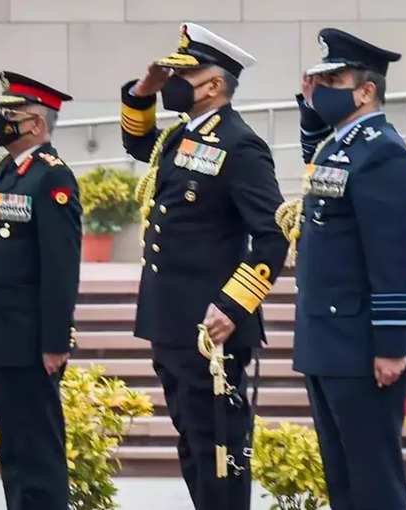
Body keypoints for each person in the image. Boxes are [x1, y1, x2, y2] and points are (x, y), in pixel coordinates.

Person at [120, 23, 288, 510]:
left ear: (213, 86)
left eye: (181, 74)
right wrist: (142, 94)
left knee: (220, 449)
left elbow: (273, 233)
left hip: (211, 329)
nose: (171, 80)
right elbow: (137, 145)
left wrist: (234, 306)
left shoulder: (240, 144)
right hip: (172, 321)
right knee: (193, 444)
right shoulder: (182, 135)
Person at [277, 28, 406, 510]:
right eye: (321, 80)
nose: (323, 89)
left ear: (366, 91)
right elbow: (317, 158)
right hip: (329, 341)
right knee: (342, 479)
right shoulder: (343, 145)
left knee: (373, 482)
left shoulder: (383, 152)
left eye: (334, 80)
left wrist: (391, 346)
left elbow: (393, 258)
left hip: (363, 347)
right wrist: (308, 103)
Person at [0, 71, 81, 510]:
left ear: (36, 123)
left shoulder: (52, 177)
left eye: (9, 113)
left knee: (38, 450)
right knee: (13, 449)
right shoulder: (8, 170)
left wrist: (54, 342)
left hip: (31, 340)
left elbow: (61, 266)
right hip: (1, 335)